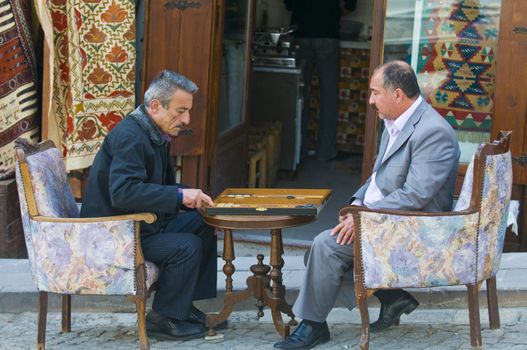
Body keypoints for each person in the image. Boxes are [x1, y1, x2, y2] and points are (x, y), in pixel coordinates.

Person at [274, 60, 460, 349]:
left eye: (375, 93)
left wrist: (362, 216)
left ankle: (313, 326)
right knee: (321, 250)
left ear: (397, 94)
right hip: (384, 220)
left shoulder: (433, 132)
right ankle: (392, 297)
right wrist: (358, 203)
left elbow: (416, 195)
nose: (371, 101)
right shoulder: (395, 122)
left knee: (324, 247)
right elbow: (379, 179)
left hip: (415, 229)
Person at [80, 70, 221, 341]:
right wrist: (180, 197)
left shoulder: (153, 130)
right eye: (180, 111)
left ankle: (181, 307)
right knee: (185, 246)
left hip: (141, 224)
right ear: (155, 106)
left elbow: (155, 187)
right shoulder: (131, 137)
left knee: (205, 221)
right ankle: (162, 319)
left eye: (188, 111)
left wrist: (190, 195)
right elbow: (123, 192)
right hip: (114, 234)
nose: (187, 119)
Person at [283, 0, 357, 161]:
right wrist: (332, 11)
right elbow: (351, 6)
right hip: (328, 32)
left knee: (299, 94)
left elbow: (289, 5)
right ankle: (326, 152)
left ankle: (295, 152)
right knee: (329, 94)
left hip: (301, 32)